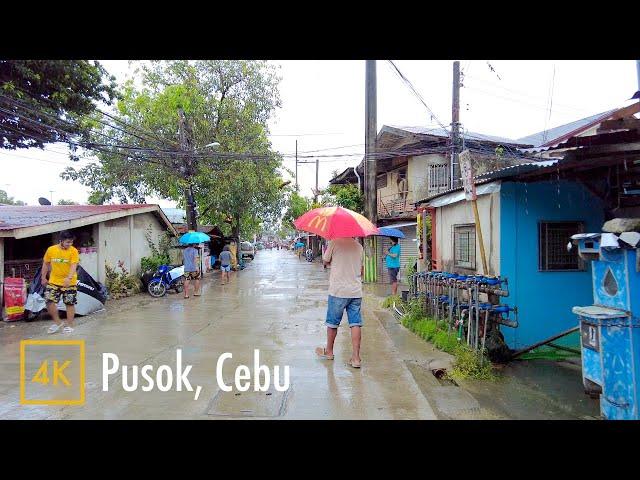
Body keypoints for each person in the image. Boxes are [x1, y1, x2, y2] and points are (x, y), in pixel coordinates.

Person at [315, 237, 364, 368]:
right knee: (355, 323)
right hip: (355, 291)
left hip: (338, 291)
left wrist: (332, 261)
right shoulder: (359, 247)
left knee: (332, 323)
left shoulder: (334, 243)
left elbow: (325, 261)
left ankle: (329, 352)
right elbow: (361, 271)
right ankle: (356, 358)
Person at [43, 230, 79, 334]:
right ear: (61, 240)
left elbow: (73, 265)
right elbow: (46, 264)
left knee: (69, 303)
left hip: (70, 282)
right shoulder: (51, 250)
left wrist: (69, 277)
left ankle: (70, 325)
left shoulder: (73, 251)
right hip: (54, 281)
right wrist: (43, 277)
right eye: (68, 242)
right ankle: (58, 323)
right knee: (49, 301)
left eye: (71, 242)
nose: (70, 244)